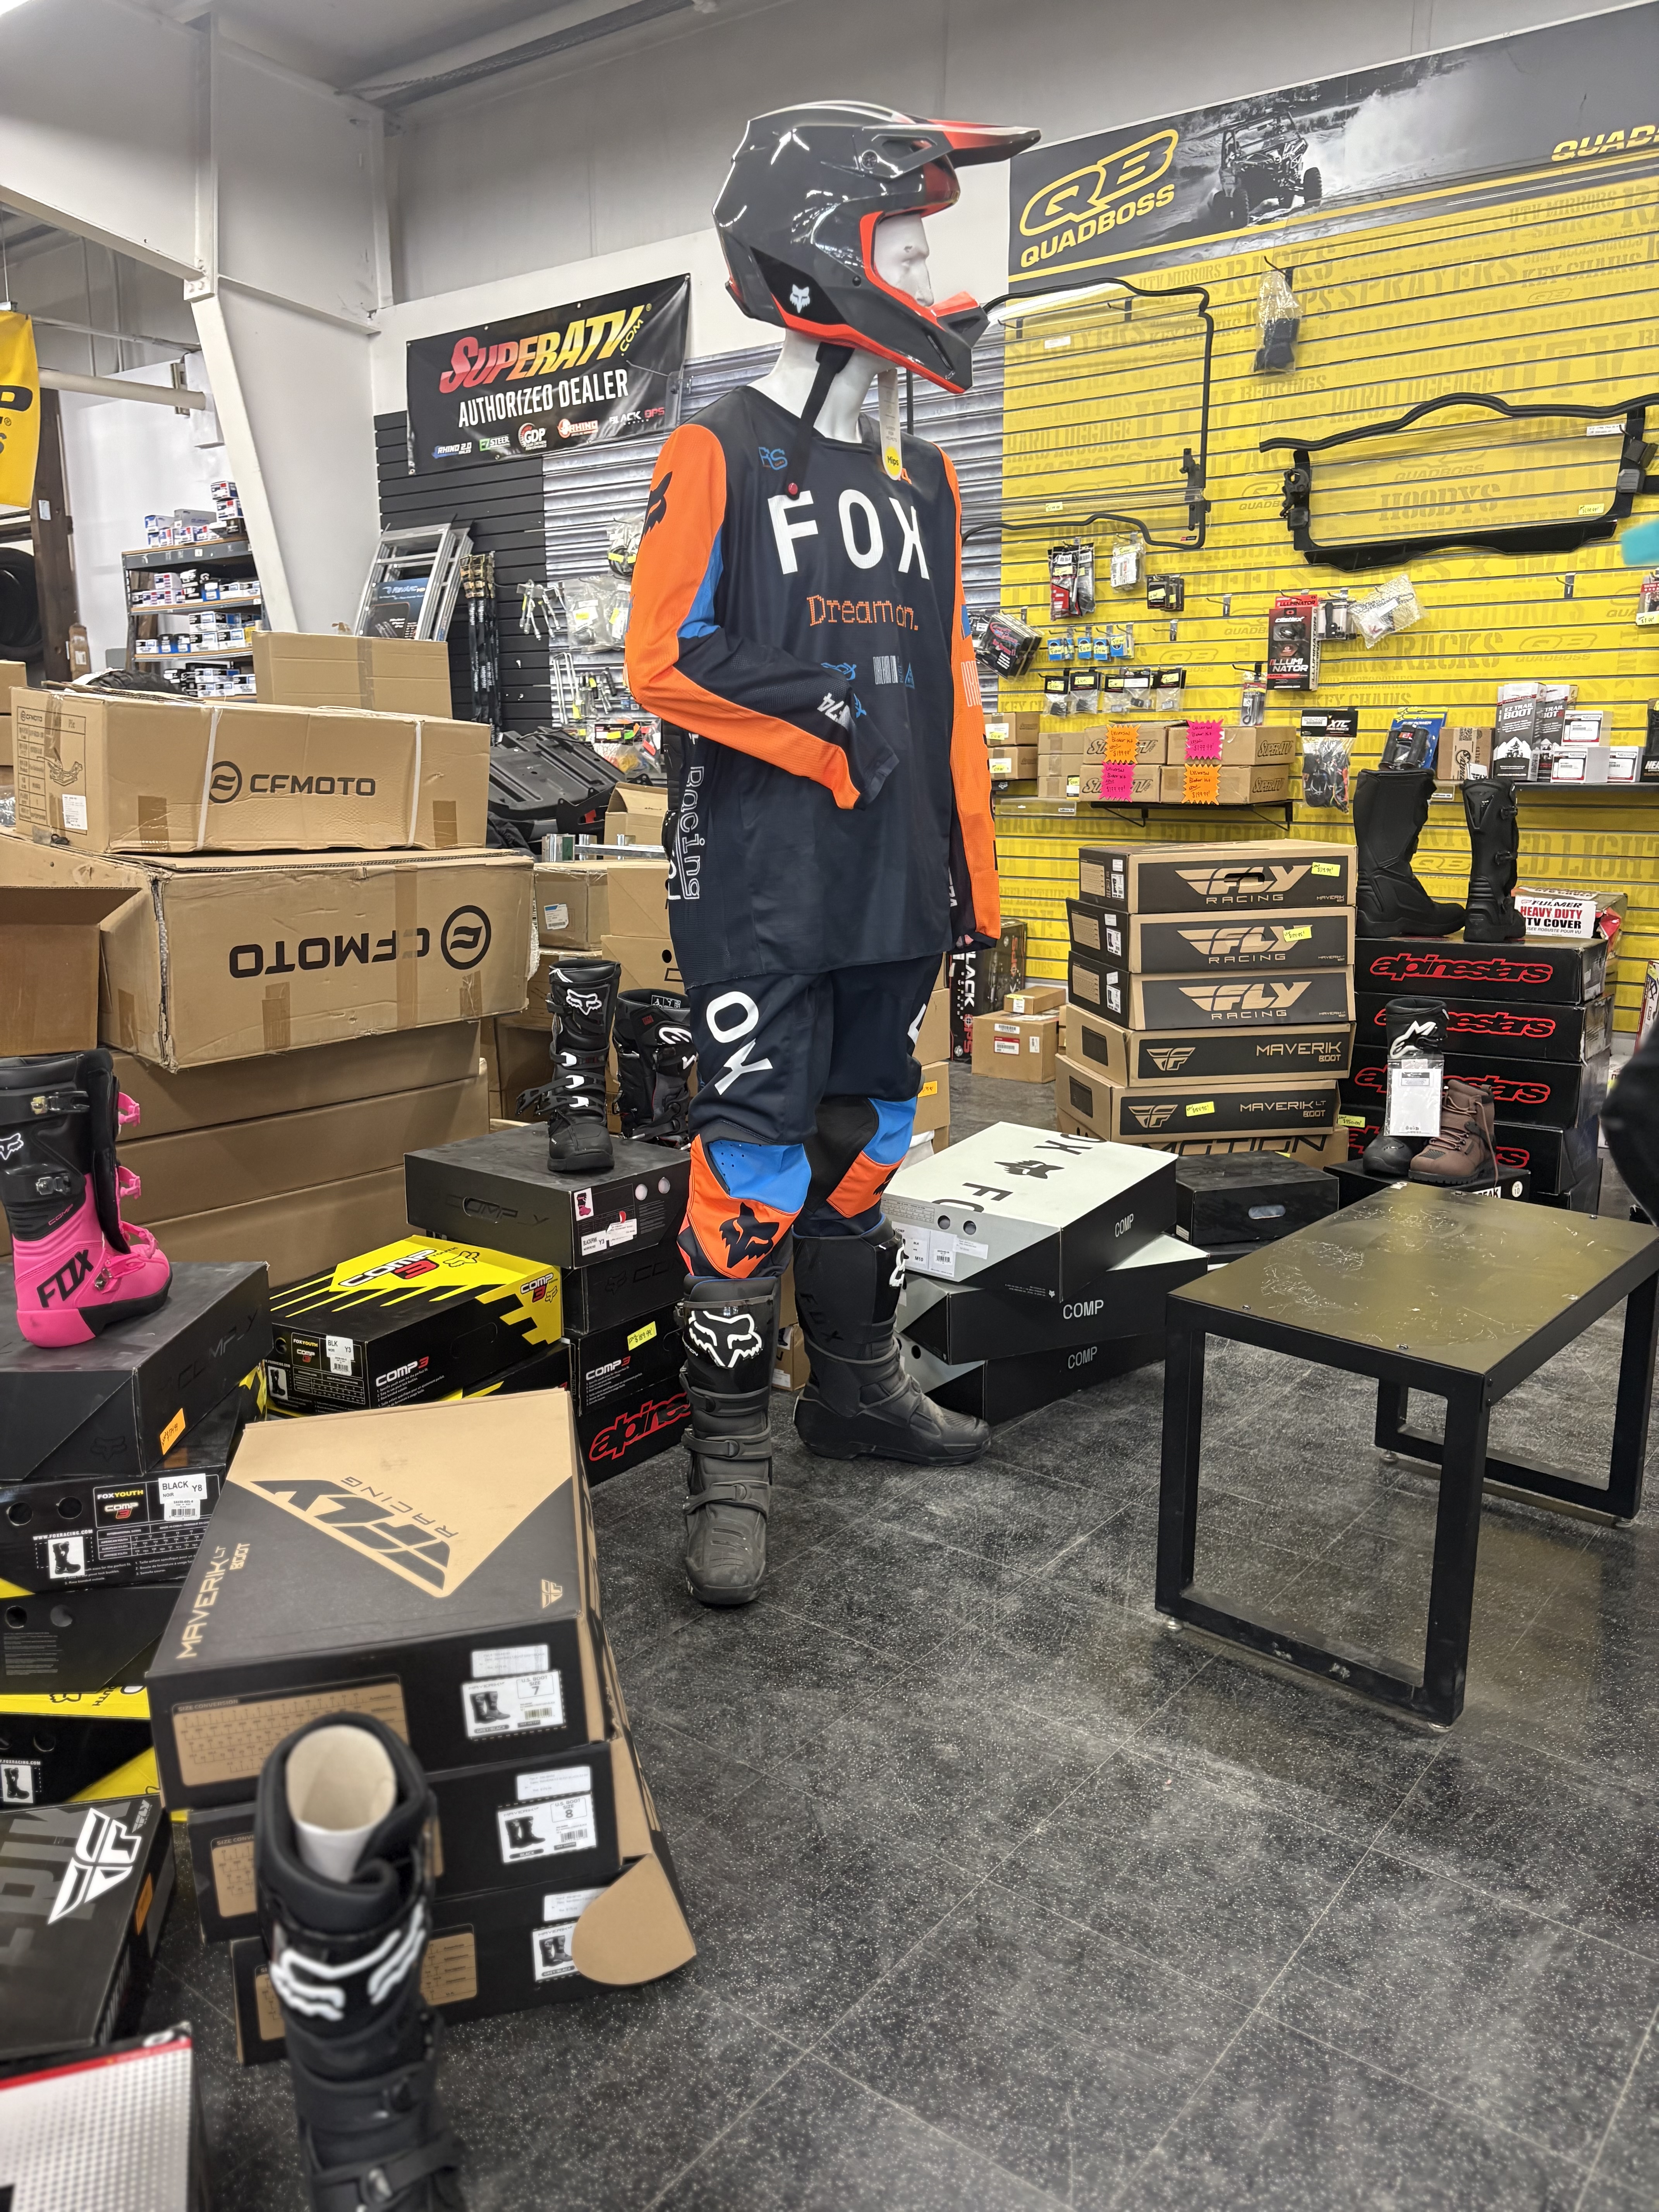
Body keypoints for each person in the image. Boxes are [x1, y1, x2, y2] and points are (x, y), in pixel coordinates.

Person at [625, 100, 1039, 1608]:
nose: (931, 279)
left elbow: (951, 699)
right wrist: (825, 727)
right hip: (761, 888)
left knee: (870, 1140)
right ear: (818, 258)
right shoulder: (716, 447)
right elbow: (663, 658)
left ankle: (853, 1392)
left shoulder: (928, 482)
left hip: (896, 888)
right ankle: (727, 1465)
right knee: (753, 1159)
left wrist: (978, 889)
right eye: (905, 249)